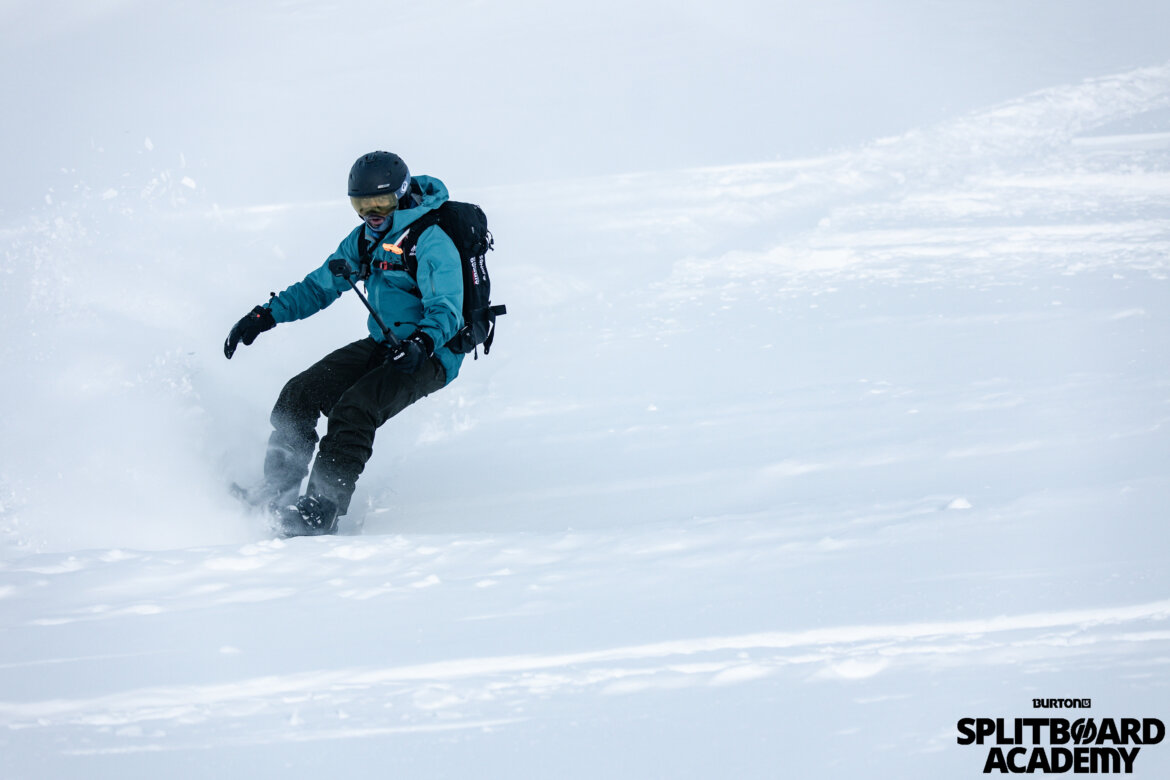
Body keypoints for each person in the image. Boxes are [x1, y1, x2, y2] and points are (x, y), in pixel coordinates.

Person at [224, 151, 464, 537]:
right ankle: (277, 487)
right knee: (300, 394)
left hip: (433, 351)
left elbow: (448, 310)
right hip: (386, 342)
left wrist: (421, 342)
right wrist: (265, 315)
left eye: (382, 203)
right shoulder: (365, 240)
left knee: (355, 409)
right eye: (362, 204)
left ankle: (322, 509)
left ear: (400, 196)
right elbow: (320, 285)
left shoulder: (430, 241)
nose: (373, 213)